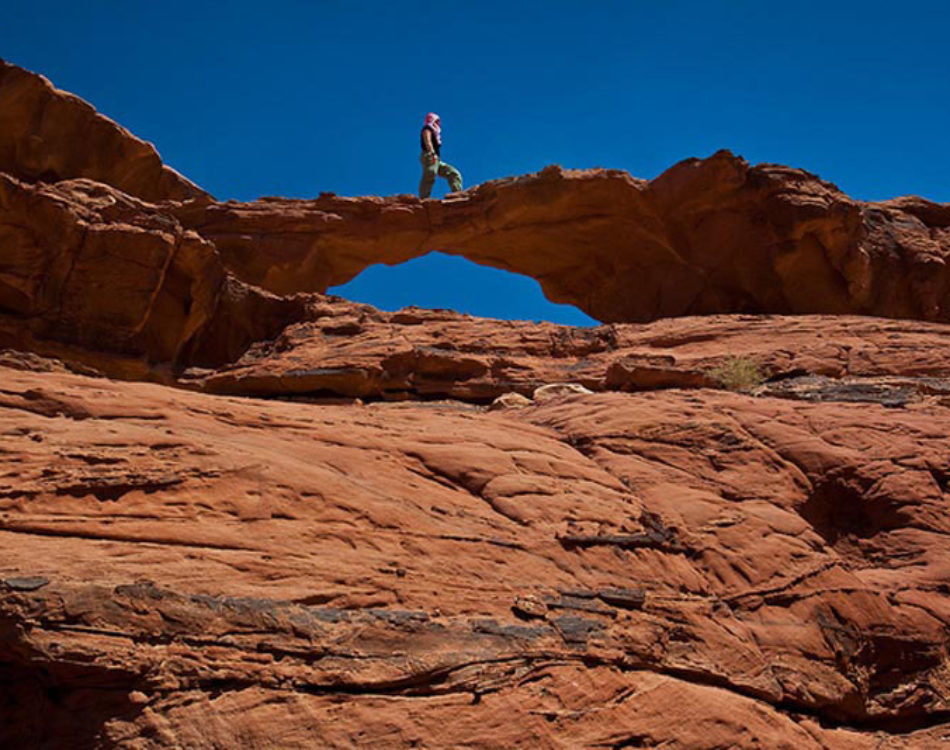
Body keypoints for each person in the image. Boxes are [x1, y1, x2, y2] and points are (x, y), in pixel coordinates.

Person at [418, 112, 463, 199]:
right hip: (430, 155)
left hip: (436, 159)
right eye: (436, 121)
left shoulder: (434, 132)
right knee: (430, 174)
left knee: (453, 173)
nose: (438, 124)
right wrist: (432, 152)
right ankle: (423, 199)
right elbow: (427, 139)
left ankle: (458, 194)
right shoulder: (427, 128)